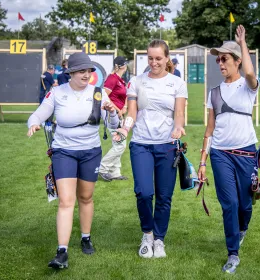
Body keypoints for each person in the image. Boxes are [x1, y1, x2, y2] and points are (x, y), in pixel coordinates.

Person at [27, 52, 119, 269]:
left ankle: (85, 237)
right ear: (71, 73)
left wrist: (111, 111)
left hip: (90, 151)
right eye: (81, 71)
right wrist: (34, 123)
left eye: (88, 70)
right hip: (64, 151)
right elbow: (38, 113)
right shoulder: (57, 92)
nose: (86, 74)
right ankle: (62, 252)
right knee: (66, 200)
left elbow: (114, 124)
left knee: (85, 197)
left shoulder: (99, 94)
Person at [113, 40, 187, 258]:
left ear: (167, 59)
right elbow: (132, 113)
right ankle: (147, 234)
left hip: (167, 146)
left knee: (164, 196)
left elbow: (180, 113)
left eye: (158, 58)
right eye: (151, 58)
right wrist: (125, 130)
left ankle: (159, 239)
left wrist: (179, 127)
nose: (154, 62)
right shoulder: (136, 81)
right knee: (144, 193)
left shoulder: (177, 83)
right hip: (141, 145)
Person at [197, 25, 259, 274]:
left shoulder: (248, 86)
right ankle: (233, 253)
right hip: (220, 154)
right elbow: (209, 129)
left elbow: (251, 72)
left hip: (245, 152)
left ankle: (242, 229)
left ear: (237, 61)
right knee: (230, 204)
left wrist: (242, 42)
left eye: (224, 59)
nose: (220, 64)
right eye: (218, 60)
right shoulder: (214, 92)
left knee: (245, 205)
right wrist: (202, 161)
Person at [98, 56, 129, 182]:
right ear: (123, 66)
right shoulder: (112, 78)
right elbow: (104, 97)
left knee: (119, 142)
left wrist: (123, 107)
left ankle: (115, 172)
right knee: (120, 144)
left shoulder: (119, 79)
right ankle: (102, 168)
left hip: (118, 113)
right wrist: (117, 109)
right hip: (112, 114)